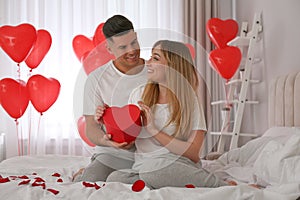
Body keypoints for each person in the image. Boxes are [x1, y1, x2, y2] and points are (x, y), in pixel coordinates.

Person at [95, 40, 229, 189]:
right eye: (151, 56)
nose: (148, 62)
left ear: (173, 66)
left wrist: (154, 131)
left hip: (172, 164)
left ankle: (222, 185)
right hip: (142, 168)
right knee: (115, 178)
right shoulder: (138, 94)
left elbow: (193, 153)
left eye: (156, 58)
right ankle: (160, 181)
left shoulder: (190, 102)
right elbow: (129, 144)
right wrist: (107, 121)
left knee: (153, 169)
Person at [73, 14, 147, 182]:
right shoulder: (96, 79)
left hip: (149, 153)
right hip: (112, 153)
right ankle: (89, 169)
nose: (131, 51)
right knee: (87, 182)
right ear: (109, 48)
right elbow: (91, 128)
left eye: (134, 42)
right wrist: (106, 141)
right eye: (123, 47)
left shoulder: (155, 72)